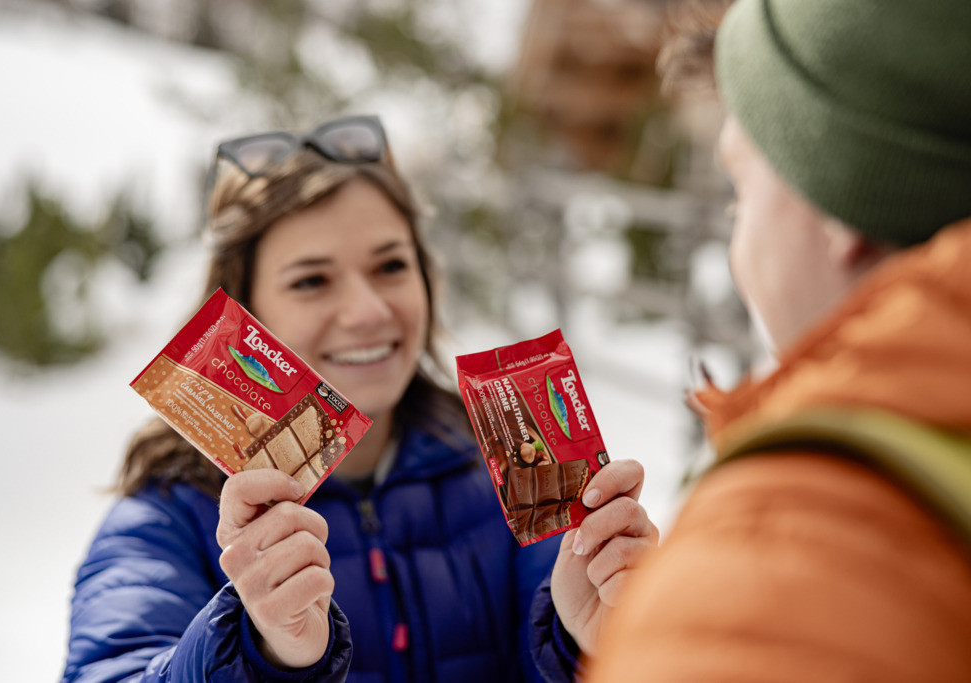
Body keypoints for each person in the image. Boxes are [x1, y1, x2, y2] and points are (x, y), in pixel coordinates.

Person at [61, 115, 658, 682]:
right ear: (241, 313)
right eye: (312, 280)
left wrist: (592, 646)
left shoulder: (511, 468)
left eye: (391, 266)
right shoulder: (164, 518)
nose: (370, 312)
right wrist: (257, 653)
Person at [588, 0, 971, 680]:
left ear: (837, 203)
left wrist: (676, 623)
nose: (735, 243)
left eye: (740, 192)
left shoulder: (771, 574)